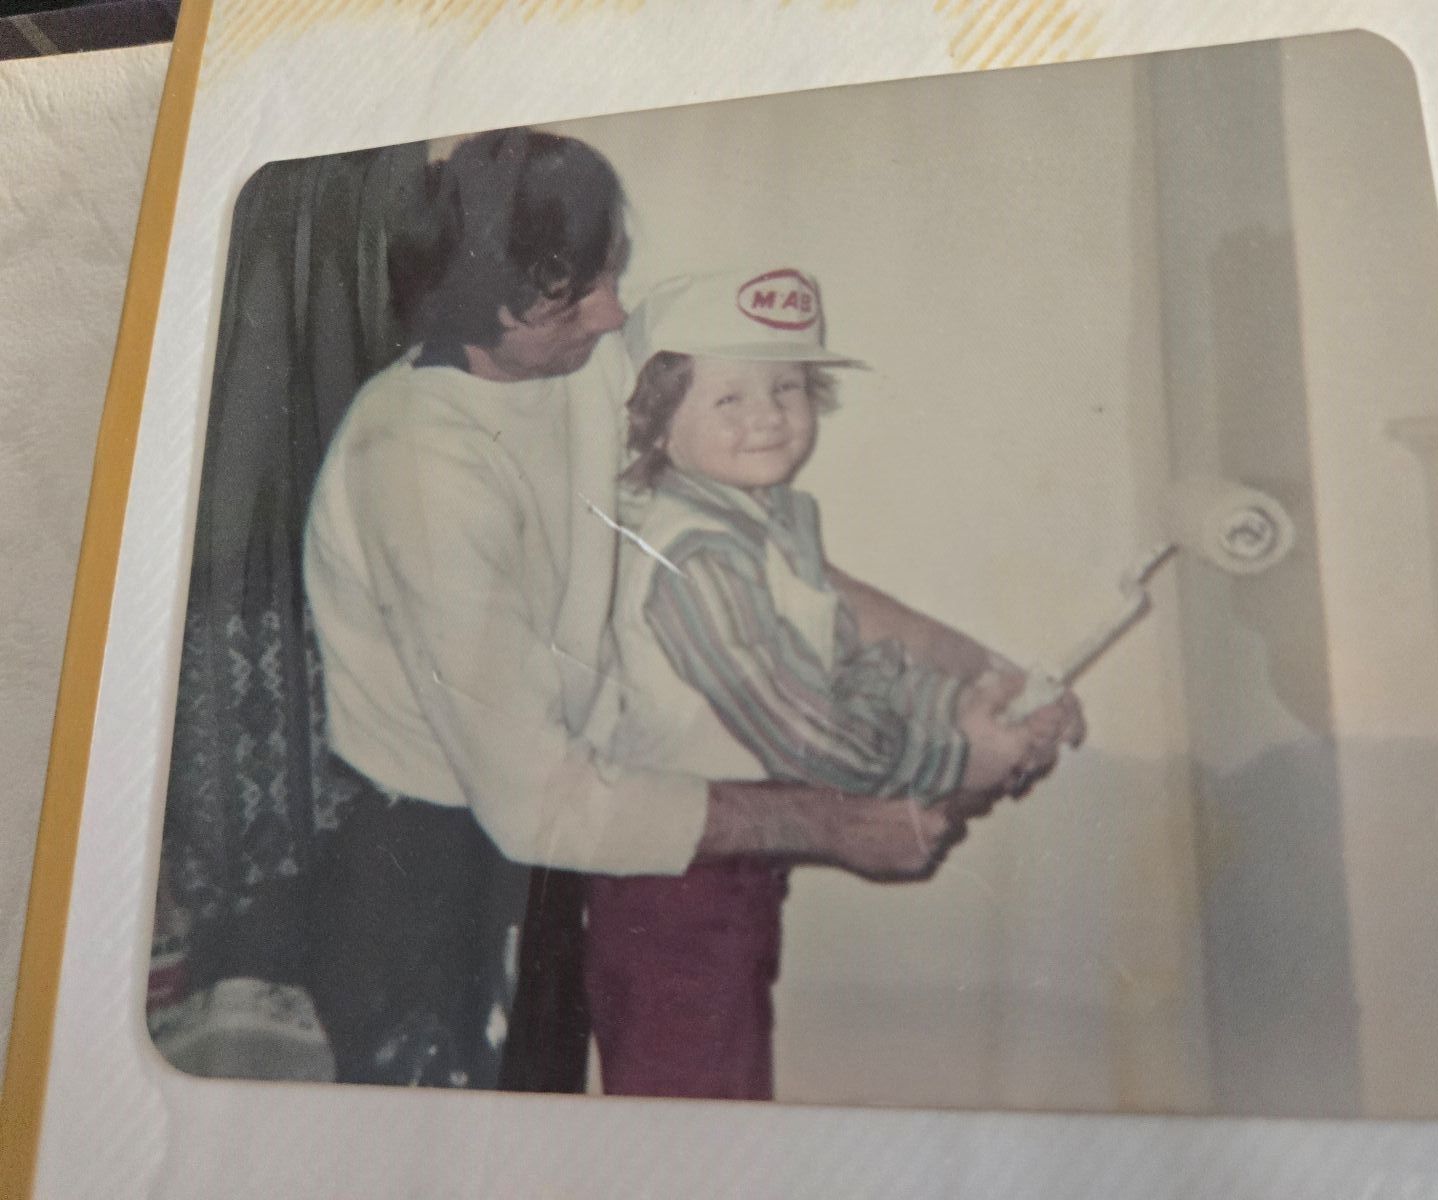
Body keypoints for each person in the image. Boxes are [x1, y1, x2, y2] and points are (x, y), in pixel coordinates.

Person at [298, 129, 1032, 1090]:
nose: (614, 312)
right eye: (574, 296)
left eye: (612, 272)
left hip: (570, 815)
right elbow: (538, 803)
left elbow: (757, 561)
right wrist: (836, 823)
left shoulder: (581, 363)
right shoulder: (420, 469)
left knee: (570, 1088)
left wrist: (969, 663)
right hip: (434, 856)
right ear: (481, 304)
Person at [579, 268, 1085, 1099]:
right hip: (672, 882)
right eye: (729, 397)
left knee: (724, 1090)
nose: (768, 416)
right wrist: (958, 755)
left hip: (735, 859)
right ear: (657, 419)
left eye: (787, 387)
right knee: (692, 1111)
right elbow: (801, 729)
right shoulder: (695, 553)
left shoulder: (767, 525)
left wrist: (972, 703)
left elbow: (849, 657)